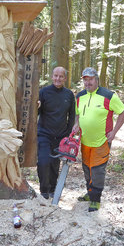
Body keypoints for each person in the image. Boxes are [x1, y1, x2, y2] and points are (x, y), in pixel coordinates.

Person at [72, 67, 124, 212]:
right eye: (85, 79)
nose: (88, 82)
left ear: (97, 79)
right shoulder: (80, 96)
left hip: (101, 141)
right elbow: (77, 114)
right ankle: (90, 193)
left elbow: (123, 112)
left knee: (97, 170)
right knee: (86, 169)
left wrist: (114, 132)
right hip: (84, 141)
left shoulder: (109, 96)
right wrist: (76, 124)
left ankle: (96, 200)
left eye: (90, 79)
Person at [37, 67, 76, 199]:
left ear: (65, 78)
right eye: (55, 76)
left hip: (61, 136)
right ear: (52, 77)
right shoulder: (43, 92)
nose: (58, 79)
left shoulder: (69, 94)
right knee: (43, 162)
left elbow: (71, 115)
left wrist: (68, 133)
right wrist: (36, 106)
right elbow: (35, 112)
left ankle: (53, 189)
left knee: (55, 164)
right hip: (44, 133)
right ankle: (43, 191)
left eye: (61, 76)